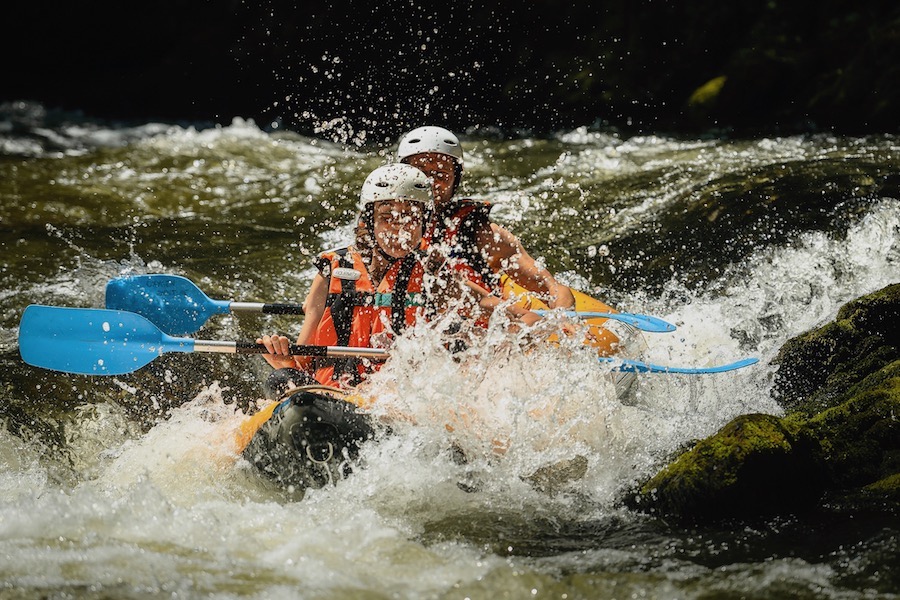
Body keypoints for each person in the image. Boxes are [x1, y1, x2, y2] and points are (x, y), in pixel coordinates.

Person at [257, 163, 540, 397]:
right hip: (328, 394)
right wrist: (283, 359)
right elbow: (304, 359)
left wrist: (503, 350)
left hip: (392, 403)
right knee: (281, 378)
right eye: (387, 217)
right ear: (369, 221)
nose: (399, 228)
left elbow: (521, 319)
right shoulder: (332, 271)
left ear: (424, 222)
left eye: (410, 217)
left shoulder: (436, 276)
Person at [397, 126, 576, 310]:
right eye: (420, 172)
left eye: (441, 174)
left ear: (454, 181)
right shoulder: (380, 229)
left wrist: (562, 318)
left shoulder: (480, 235)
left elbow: (553, 289)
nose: (430, 182)